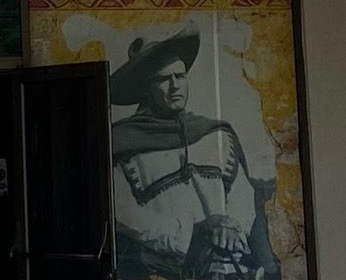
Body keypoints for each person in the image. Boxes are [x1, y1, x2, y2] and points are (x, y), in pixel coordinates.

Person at [108, 22, 264, 280]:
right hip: (161, 270)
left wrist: (232, 226)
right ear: (145, 88)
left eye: (179, 76)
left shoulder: (215, 134)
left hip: (228, 268)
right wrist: (193, 233)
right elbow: (121, 212)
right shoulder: (120, 144)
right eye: (163, 79)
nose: (175, 86)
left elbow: (242, 195)